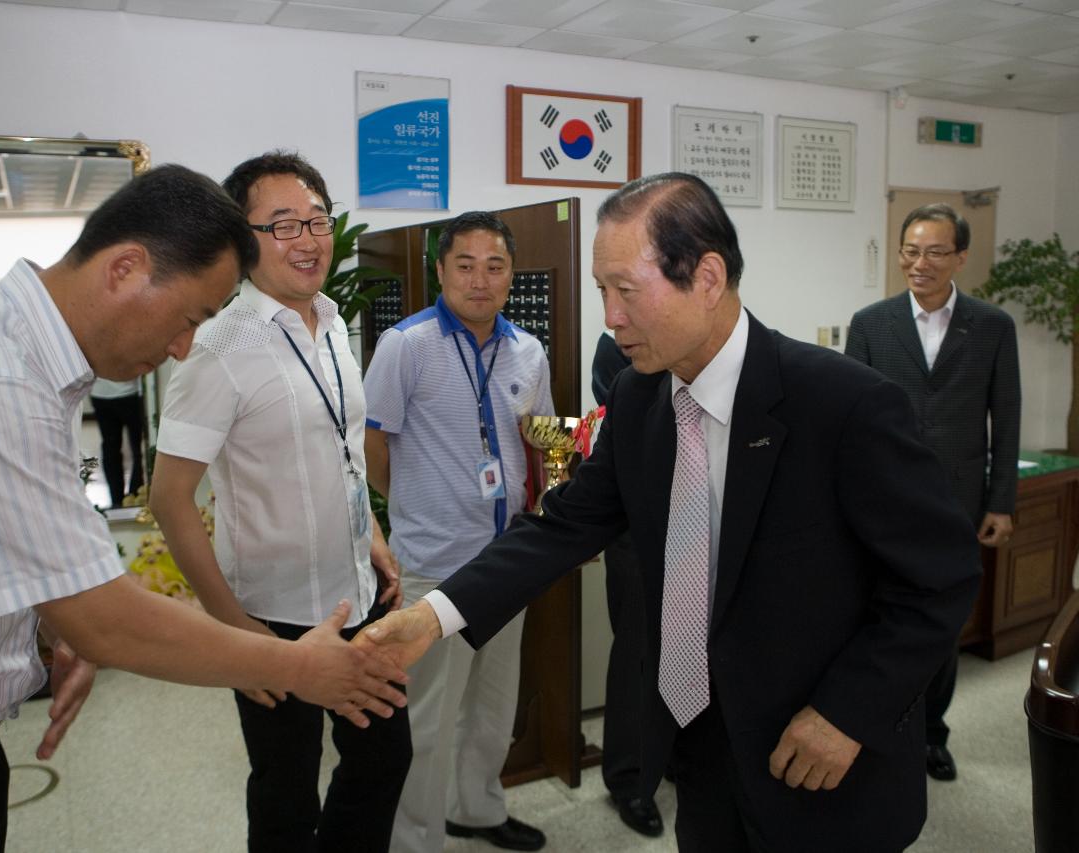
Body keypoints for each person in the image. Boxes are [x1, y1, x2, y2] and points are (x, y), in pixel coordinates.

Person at [354, 172, 982, 853]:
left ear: (707, 277)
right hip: (698, 747)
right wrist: (433, 615)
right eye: (602, 290)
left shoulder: (844, 405)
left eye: (626, 289)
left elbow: (940, 577)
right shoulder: (639, 400)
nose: (610, 316)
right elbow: (562, 526)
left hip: (822, 754)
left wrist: (847, 713)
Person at [0, 164, 408, 851]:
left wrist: (42, 626)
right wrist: (291, 665)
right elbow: (105, 618)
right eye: (188, 319)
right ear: (125, 268)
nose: (183, 347)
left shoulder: (28, 365)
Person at [147, 150, 411, 853]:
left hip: (357, 599)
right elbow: (169, 496)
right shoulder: (219, 347)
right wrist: (235, 630)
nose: (309, 239)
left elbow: (342, 449)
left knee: (384, 757)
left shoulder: (331, 326)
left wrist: (374, 543)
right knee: (286, 791)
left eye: (317, 220)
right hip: (272, 616)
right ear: (243, 240)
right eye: (283, 224)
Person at [362, 212, 552, 853]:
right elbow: (373, 446)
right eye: (464, 265)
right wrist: (414, 505)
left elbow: (539, 443)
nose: (479, 279)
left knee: (494, 708)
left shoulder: (528, 351)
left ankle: (477, 807)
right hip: (434, 565)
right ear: (439, 271)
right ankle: (414, 840)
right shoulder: (405, 345)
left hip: (507, 560)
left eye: (494, 266)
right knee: (427, 718)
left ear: (510, 275)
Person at [845, 202, 1021, 782]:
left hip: (957, 502)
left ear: (960, 258)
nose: (920, 263)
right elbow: (849, 420)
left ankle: (931, 734)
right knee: (876, 613)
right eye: (910, 251)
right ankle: (877, 724)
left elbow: (1006, 415)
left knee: (942, 623)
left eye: (935, 252)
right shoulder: (871, 323)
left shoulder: (992, 327)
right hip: (883, 499)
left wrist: (1001, 502)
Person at [590, 331, 664, 838]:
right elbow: (641, 431)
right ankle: (628, 779)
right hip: (638, 526)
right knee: (637, 653)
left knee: (691, 651)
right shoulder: (615, 350)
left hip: (700, 527)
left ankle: (675, 758)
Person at [89, 376, 145, 507]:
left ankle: (117, 499)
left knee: (110, 447)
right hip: (130, 393)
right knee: (138, 448)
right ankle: (136, 496)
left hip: (100, 393)